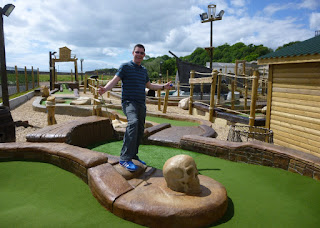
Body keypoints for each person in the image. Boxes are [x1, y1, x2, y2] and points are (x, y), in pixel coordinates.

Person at [98, 44, 172, 172]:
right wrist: (105, 89)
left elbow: (149, 85)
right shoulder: (125, 67)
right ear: (133, 53)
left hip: (141, 103)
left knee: (139, 129)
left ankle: (133, 155)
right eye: (137, 52)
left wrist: (163, 87)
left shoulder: (143, 70)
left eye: (142, 53)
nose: (139, 55)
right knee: (133, 123)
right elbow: (115, 80)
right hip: (128, 102)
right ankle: (124, 158)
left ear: (144, 55)